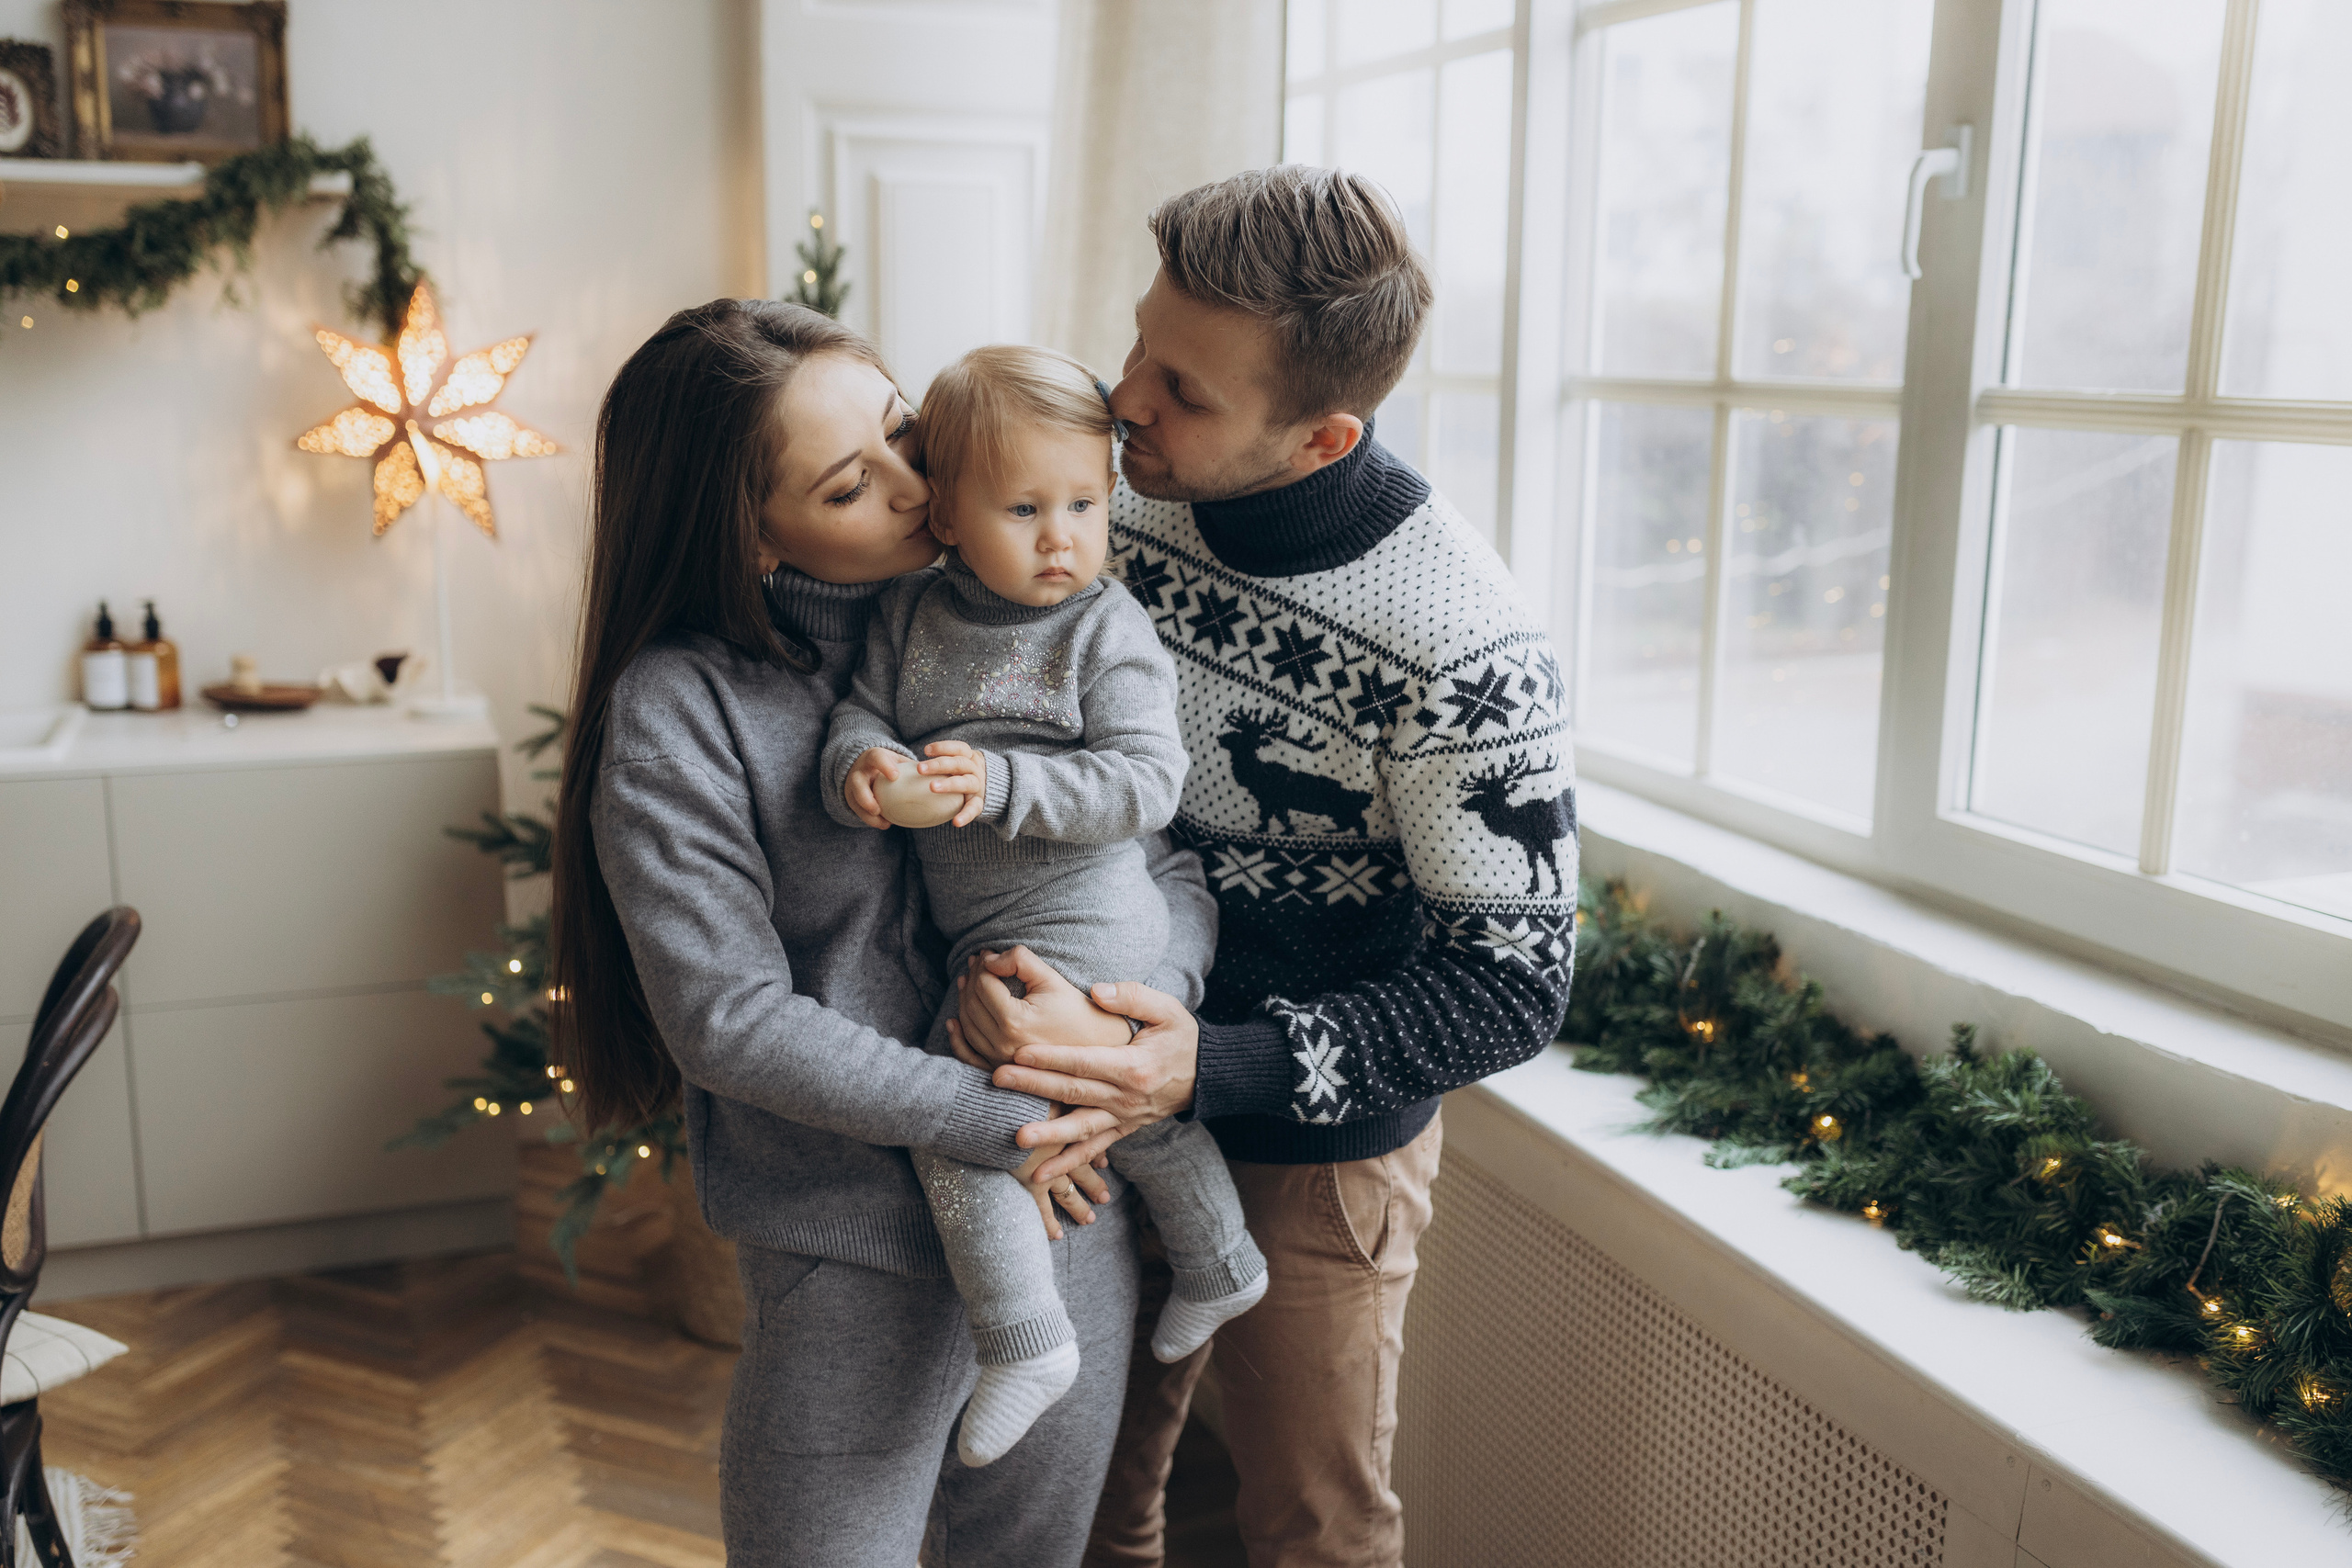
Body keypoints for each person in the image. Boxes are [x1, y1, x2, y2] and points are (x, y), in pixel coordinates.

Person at [949, 167, 1578, 1567]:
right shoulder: (1109, 505)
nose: (1124, 400)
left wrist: (1207, 1066)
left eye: (1183, 389)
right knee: (1075, 1503)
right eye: (1139, 343)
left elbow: (1512, 987)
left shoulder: (1464, 643)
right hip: (1080, 1091)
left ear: (1322, 435)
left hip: (1313, 1154)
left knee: (1313, 1527)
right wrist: (990, 977)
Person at [546, 299, 1216, 1568]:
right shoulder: (680, 711)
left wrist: (1125, 1024)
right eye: (853, 484)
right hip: (851, 1254)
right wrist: (1000, 1118)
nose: (919, 488)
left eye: (905, 433)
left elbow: (1161, 857)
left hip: (1071, 1219)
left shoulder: (1031, 611)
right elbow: (729, 1020)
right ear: (749, 534)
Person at [822, 344, 1268, 1468]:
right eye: (1023, 509)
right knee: (1101, 1099)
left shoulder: (1102, 628)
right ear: (946, 515)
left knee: (966, 1117)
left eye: (1084, 504)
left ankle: (1025, 1340)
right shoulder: (911, 616)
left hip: (1090, 914)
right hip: (991, 930)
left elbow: (1147, 784)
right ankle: (1220, 1262)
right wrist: (861, 767)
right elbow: (861, 714)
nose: (1060, 537)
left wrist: (1001, 784)